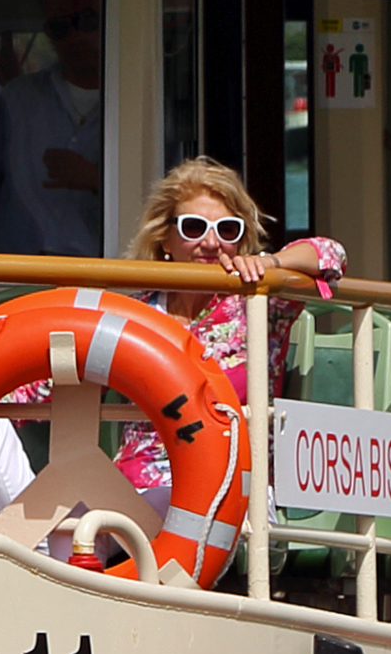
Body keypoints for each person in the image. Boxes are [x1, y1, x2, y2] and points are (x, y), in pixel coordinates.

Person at [108, 162, 349, 508]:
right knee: (67, 531)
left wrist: (271, 264)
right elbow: (45, 385)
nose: (210, 242)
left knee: (101, 528)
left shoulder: (258, 301)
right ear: (165, 238)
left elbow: (332, 254)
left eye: (227, 230)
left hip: (231, 487)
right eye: (193, 227)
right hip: (137, 487)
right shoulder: (136, 312)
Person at [0, 0, 105, 255]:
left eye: (87, 20)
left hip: (100, 284)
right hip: (7, 279)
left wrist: (96, 181)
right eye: (59, 28)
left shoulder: (145, 106)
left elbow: (168, 207)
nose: (74, 36)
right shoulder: (17, 100)